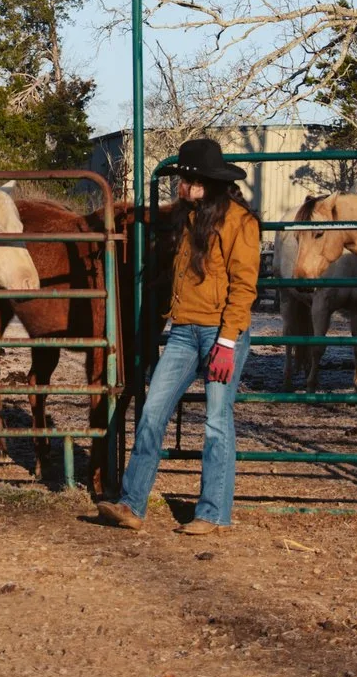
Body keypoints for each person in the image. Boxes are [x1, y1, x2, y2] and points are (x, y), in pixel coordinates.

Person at [98, 137, 260, 535]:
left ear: (202, 182)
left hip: (222, 333)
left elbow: (244, 286)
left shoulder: (241, 223)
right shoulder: (188, 219)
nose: (178, 186)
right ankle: (132, 505)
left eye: (184, 179)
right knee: (153, 411)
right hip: (184, 331)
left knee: (217, 422)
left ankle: (212, 514)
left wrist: (226, 342)